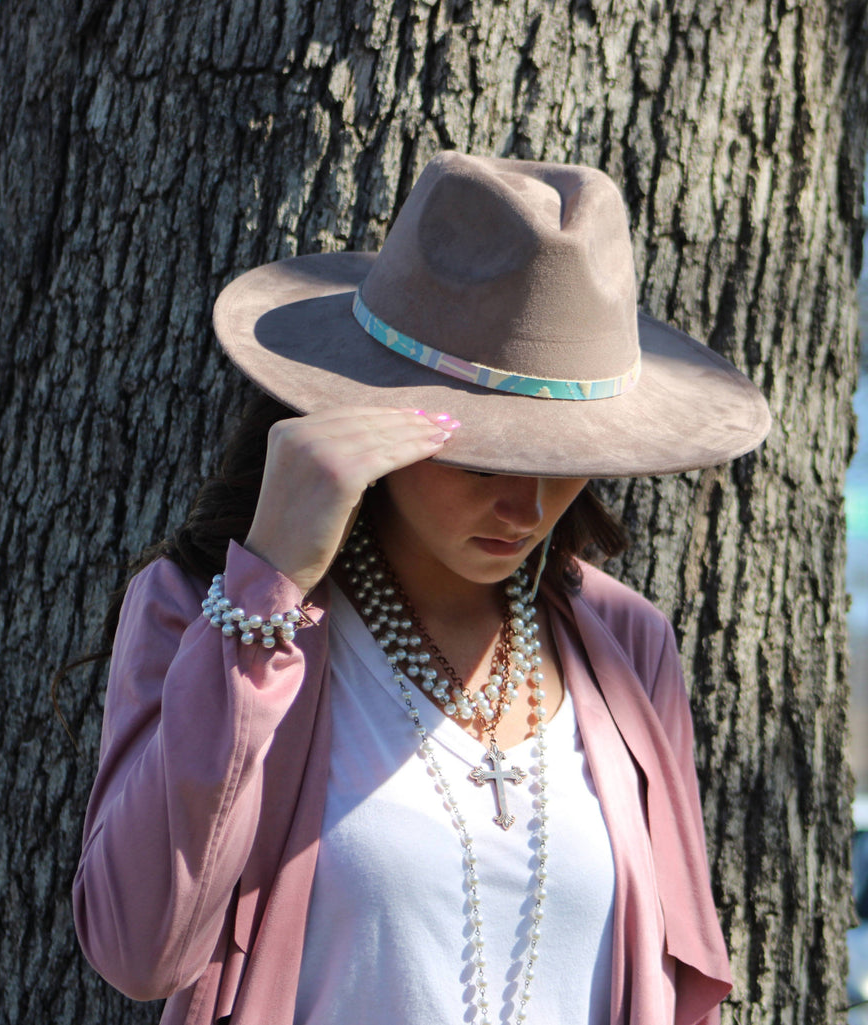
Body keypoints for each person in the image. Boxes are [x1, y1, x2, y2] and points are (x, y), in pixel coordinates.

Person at [72, 152, 772, 1025]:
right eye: (484, 453)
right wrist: (264, 594)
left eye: (562, 459)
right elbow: (139, 951)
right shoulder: (203, 611)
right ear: (371, 420)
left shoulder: (625, 644)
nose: (529, 504)